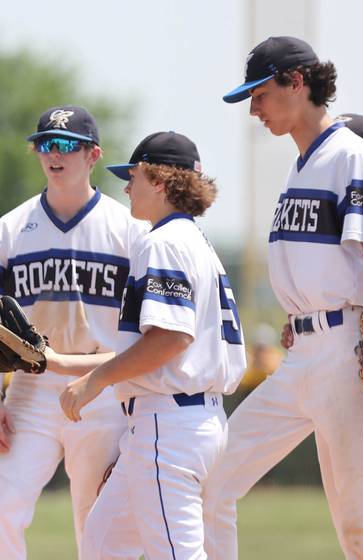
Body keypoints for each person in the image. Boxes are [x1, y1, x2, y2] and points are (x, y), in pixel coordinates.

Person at [203, 37, 363, 558]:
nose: (255, 109)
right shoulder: (302, 162)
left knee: (362, 526)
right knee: (211, 479)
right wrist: (301, 312)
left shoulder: (349, 154)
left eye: (260, 94)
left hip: (345, 351)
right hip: (303, 353)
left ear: (297, 82)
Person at [0, 105, 148, 559]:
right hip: (31, 387)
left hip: (103, 388)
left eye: (66, 145)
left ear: (93, 154)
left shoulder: (128, 229)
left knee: (97, 524)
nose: (54, 154)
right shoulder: (10, 228)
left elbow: (148, 329)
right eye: (45, 144)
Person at [53, 131, 246, 559]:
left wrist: (96, 382)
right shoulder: (197, 243)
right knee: (101, 546)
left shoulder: (163, 242)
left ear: (159, 181)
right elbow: (158, 343)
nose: (126, 187)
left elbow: (172, 338)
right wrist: (71, 365)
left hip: (169, 425)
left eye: (134, 175)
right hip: (187, 420)